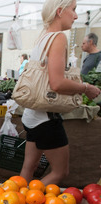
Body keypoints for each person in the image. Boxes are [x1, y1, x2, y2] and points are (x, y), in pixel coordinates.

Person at [19, 0, 101, 185]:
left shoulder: (43, 37)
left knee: (28, 167)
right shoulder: (58, 38)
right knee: (60, 172)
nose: (76, 15)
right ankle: (29, 200)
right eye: (73, 10)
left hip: (32, 115)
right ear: (59, 11)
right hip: (46, 118)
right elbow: (56, 83)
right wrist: (86, 88)